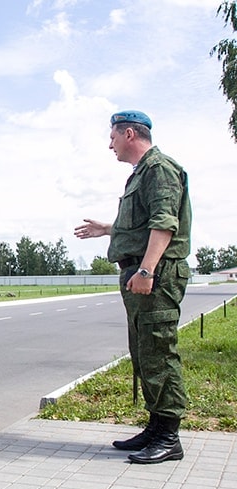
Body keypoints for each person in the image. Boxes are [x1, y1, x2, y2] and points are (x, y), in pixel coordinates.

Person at [74, 110, 191, 465]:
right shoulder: (141, 174)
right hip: (142, 276)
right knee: (145, 353)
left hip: (155, 276)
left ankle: (169, 436)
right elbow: (143, 223)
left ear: (128, 134)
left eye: (112, 137)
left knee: (159, 351)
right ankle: (156, 428)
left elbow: (164, 224)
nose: (109, 144)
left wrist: (146, 269)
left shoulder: (159, 169)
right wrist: (110, 229)